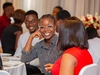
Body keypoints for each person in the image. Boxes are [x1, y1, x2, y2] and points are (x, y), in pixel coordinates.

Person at [14, 10, 42, 75]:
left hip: (38, 69)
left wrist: (27, 61)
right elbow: (17, 55)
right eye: (27, 22)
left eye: (33, 21)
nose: (30, 24)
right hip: (23, 66)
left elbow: (43, 59)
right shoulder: (22, 36)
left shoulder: (44, 36)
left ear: (38, 20)